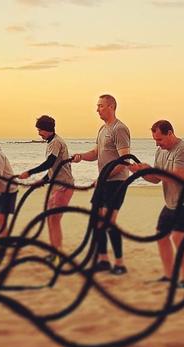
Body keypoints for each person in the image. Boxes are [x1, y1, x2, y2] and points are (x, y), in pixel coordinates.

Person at [129, 120, 184, 287]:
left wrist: (151, 170)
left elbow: (177, 176)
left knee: (178, 238)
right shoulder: (160, 152)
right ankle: (169, 276)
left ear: (170, 133)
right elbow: (156, 179)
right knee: (161, 235)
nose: (157, 144)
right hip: (171, 202)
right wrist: (141, 172)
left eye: (160, 140)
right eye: (155, 140)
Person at [73, 94, 131, 275]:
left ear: (111, 107)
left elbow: (124, 160)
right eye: (97, 106)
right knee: (97, 221)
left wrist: (104, 176)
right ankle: (104, 260)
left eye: (100, 106)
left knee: (109, 222)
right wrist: (81, 156)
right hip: (104, 182)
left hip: (116, 182)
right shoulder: (102, 129)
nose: (97, 109)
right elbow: (96, 153)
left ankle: (120, 263)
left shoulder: (119, 129)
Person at [18, 115, 75, 263]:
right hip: (56, 187)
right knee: (50, 220)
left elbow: (49, 163)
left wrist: (29, 172)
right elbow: (53, 170)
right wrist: (42, 181)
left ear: (48, 129)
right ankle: (54, 251)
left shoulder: (56, 142)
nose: (39, 133)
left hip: (64, 186)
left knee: (54, 220)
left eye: (40, 130)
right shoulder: (51, 142)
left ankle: (57, 253)